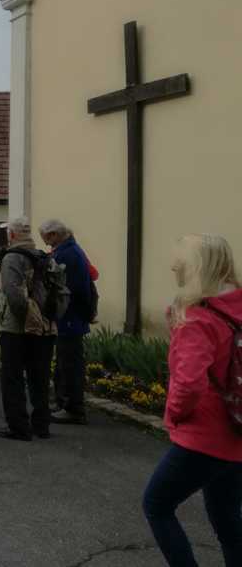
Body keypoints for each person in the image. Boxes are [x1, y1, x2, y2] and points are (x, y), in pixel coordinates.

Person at [142, 234, 242, 566]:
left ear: (194, 267)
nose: (173, 266)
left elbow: (189, 384)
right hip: (237, 431)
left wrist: (173, 414)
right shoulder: (236, 306)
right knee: (227, 517)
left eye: (178, 261)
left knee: (157, 505)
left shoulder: (197, 317)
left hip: (205, 435)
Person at [0, 217, 56, 441]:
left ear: (12, 235)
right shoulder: (44, 257)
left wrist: (27, 318)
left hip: (17, 329)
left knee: (12, 378)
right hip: (45, 328)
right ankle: (41, 425)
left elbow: (14, 296)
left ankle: (18, 426)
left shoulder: (12, 258)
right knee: (39, 377)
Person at [39, 219, 94, 425]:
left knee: (70, 364)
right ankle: (64, 403)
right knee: (64, 363)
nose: (45, 242)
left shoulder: (67, 254)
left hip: (70, 317)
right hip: (71, 317)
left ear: (53, 235)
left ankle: (73, 408)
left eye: (45, 238)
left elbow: (65, 288)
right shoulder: (70, 251)